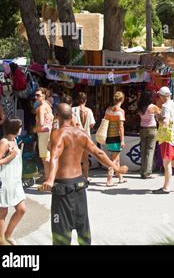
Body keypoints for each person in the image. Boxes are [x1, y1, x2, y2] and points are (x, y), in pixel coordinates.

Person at [41, 103, 128, 245]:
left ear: (57, 116)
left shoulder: (58, 134)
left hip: (63, 188)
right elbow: (98, 153)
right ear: (72, 116)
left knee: (60, 235)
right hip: (79, 185)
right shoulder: (81, 134)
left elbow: (55, 156)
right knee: (83, 231)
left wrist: (50, 179)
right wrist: (115, 168)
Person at [0, 118, 26, 245]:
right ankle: (2, 242)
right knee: (2, 212)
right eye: (20, 126)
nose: (21, 128)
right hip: (4, 181)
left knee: (21, 209)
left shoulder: (14, 140)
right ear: (15, 128)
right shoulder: (4, 142)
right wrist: (11, 156)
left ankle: (8, 234)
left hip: (15, 181)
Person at [72, 92, 96, 181]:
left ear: (77, 100)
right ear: (86, 100)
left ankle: (76, 176)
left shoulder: (73, 110)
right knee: (85, 159)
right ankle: (85, 177)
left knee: (76, 159)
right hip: (86, 137)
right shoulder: (89, 111)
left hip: (75, 137)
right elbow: (91, 125)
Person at [104, 91, 126, 187]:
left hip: (108, 135)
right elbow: (121, 127)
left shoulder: (108, 110)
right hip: (116, 136)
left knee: (116, 157)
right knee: (113, 159)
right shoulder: (120, 112)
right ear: (122, 100)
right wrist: (122, 140)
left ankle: (120, 177)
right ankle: (109, 179)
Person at [138, 90, 161, 179]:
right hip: (152, 129)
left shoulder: (140, 107)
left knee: (143, 150)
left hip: (142, 129)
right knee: (150, 151)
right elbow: (161, 113)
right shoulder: (153, 107)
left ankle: (142, 171)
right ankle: (147, 172)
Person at [34, 88, 54, 180]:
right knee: (49, 156)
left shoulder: (41, 107)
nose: (36, 97)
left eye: (38, 95)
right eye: (35, 95)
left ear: (43, 96)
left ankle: (48, 180)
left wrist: (34, 129)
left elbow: (41, 123)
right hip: (49, 132)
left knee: (45, 158)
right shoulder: (48, 106)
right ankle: (51, 178)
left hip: (43, 133)